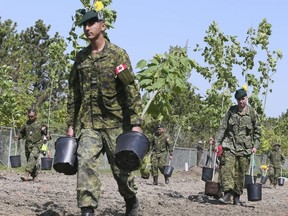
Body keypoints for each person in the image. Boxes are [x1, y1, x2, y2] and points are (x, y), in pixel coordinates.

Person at [66, 9, 143, 216]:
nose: (87, 28)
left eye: (91, 23)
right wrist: (71, 124)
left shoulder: (117, 54)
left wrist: (135, 123)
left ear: (103, 26)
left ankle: (130, 199)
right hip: (90, 125)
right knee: (85, 161)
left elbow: (130, 88)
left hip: (116, 124)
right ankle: (87, 208)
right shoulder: (81, 59)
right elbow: (74, 93)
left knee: (121, 172)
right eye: (84, 24)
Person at [215, 87, 261, 205]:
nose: (241, 102)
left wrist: (255, 146)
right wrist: (217, 143)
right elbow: (222, 128)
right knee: (227, 170)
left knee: (240, 174)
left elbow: (257, 132)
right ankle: (227, 194)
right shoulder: (231, 111)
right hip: (229, 145)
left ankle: (237, 196)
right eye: (239, 100)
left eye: (243, 99)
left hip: (245, 149)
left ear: (246, 98)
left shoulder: (252, 113)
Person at [15, 108, 51, 181]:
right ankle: (35, 175)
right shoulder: (26, 124)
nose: (30, 118)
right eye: (29, 116)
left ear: (36, 115)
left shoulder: (41, 124)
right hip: (28, 145)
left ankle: (26, 174)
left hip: (37, 144)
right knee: (30, 160)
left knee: (32, 157)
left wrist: (48, 136)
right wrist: (17, 137)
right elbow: (22, 133)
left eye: (32, 116)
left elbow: (48, 134)